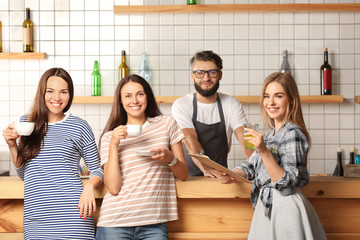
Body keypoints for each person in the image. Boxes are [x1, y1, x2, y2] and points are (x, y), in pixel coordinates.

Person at [217, 72, 327, 239]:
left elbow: (286, 181)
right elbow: (250, 166)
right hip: (269, 208)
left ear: (291, 100)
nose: (271, 102)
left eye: (278, 96)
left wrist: (262, 150)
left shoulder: (294, 133)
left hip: (286, 210)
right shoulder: (269, 136)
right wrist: (232, 174)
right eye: (267, 96)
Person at [2, 68, 104, 240]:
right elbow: (24, 173)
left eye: (63, 92)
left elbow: (97, 169)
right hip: (36, 220)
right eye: (50, 91)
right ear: (42, 93)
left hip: (73, 218)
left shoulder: (79, 126)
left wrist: (89, 187)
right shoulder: (26, 123)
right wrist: (12, 146)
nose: (56, 98)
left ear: (70, 95)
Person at [95, 74, 188, 240]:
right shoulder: (110, 137)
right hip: (114, 223)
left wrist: (169, 158)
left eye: (140, 94)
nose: (135, 101)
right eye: (128, 96)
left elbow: (183, 174)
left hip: (154, 224)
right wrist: (114, 145)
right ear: (121, 102)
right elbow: (114, 188)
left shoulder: (167, 124)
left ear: (147, 97)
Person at [171, 50, 253, 177]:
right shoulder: (181, 104)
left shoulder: (231, 103)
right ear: (192, 76)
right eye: (200, 73)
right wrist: (206, 169)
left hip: (220, 178)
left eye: (212, 72)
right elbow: (189, 138)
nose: (206, 78)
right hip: (187, 179)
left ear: (220, 75)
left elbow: (247, 140)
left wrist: (260, 167)